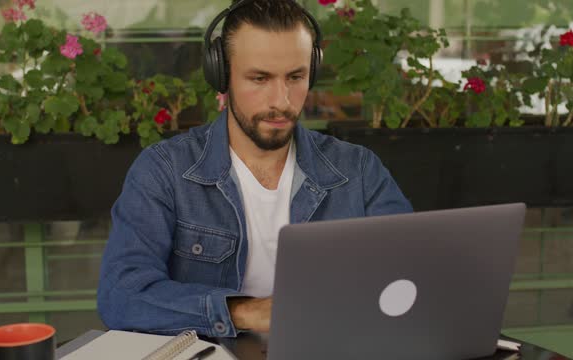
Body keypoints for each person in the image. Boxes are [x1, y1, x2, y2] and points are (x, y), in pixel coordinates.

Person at [97, 0, 412, 338]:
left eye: (295, 77)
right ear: (221, 74)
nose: (281, 100)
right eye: (259, 78)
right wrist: (245, 312)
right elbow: (121, 296)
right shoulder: (164, 170)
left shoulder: (360, 170)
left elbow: (411, 278)